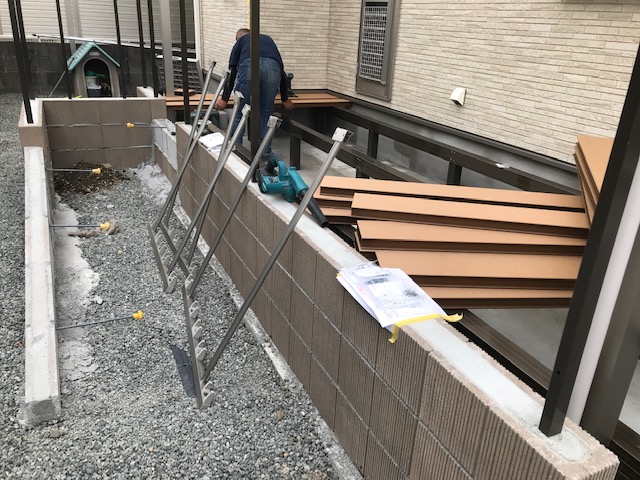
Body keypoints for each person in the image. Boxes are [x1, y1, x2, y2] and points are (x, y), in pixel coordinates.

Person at [215, 28, 293, 157]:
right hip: (272, 68)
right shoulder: (268, 39)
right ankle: (264, 153)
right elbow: (282, 74)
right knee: (266, 113)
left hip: (249, 64)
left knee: (239, 113)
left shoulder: (240, 42)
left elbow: (233, 72)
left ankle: (236, 151)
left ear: (238, 39)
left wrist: (224, 99)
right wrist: (285, 99)